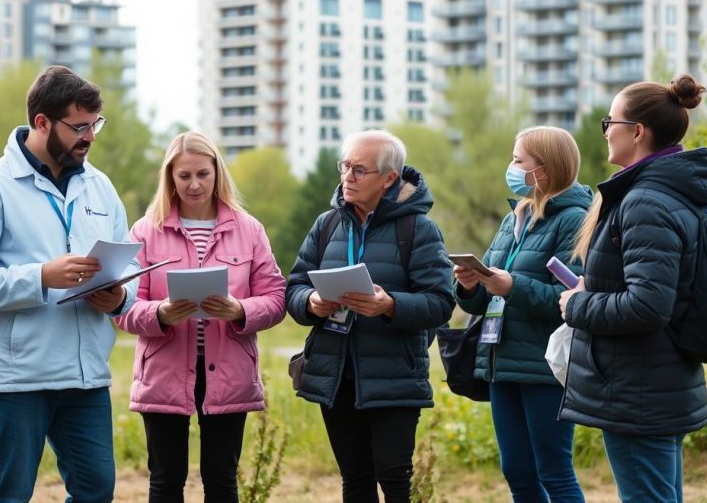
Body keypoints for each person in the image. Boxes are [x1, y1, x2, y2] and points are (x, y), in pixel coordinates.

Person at [0, 65, 136, 503]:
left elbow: (127, 266)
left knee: (96, 491)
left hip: (86, 376)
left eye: (95, 125)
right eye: (79, 126)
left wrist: (119, 297)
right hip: (20, 377)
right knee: (11, 494)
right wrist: (41, 278)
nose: (89, 137)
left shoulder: (100, 188)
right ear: (42, 122)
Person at [559, 74, 707, 503]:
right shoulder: (670, 192)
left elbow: (648, 305)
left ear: (637, 131)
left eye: (610, 121)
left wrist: (578, 303)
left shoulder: (646, 200)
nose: (606, 130)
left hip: (639, 391)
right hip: (656, 383)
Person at [285, 130, 454, 503]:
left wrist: (390, 305)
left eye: (359, 170)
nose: (347, 177)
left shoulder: (418, 229)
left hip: (394, 376)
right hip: (335, 375)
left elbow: (441, 302)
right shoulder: (326, 224)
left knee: (394, 480)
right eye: (344, 166)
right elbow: (293, 288)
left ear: (389, 178)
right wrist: (311, 302)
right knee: (355, 480)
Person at [117, 131, 286, 502]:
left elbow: (276, 298)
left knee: (222, 479)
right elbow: (123, 307)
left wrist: (240, 310)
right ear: (170, 178)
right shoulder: (145, 231)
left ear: (216, 173)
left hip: (229, 372)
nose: (194, 185)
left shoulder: (249, 229)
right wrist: (159, 313)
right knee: (165, 479)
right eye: (184, 176)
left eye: (202, 174)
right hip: (163, 370)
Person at [453, 126, 590, 502]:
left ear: (543, 170)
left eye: (518, 161)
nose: (511, 168)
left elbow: (570, 299)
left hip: (544, 366)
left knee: (554, 471)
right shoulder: (514, 217)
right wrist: (469, 285)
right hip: (501, 359)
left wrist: (512, 286)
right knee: (516, 471)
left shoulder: (574, 219)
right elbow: (486, 298)